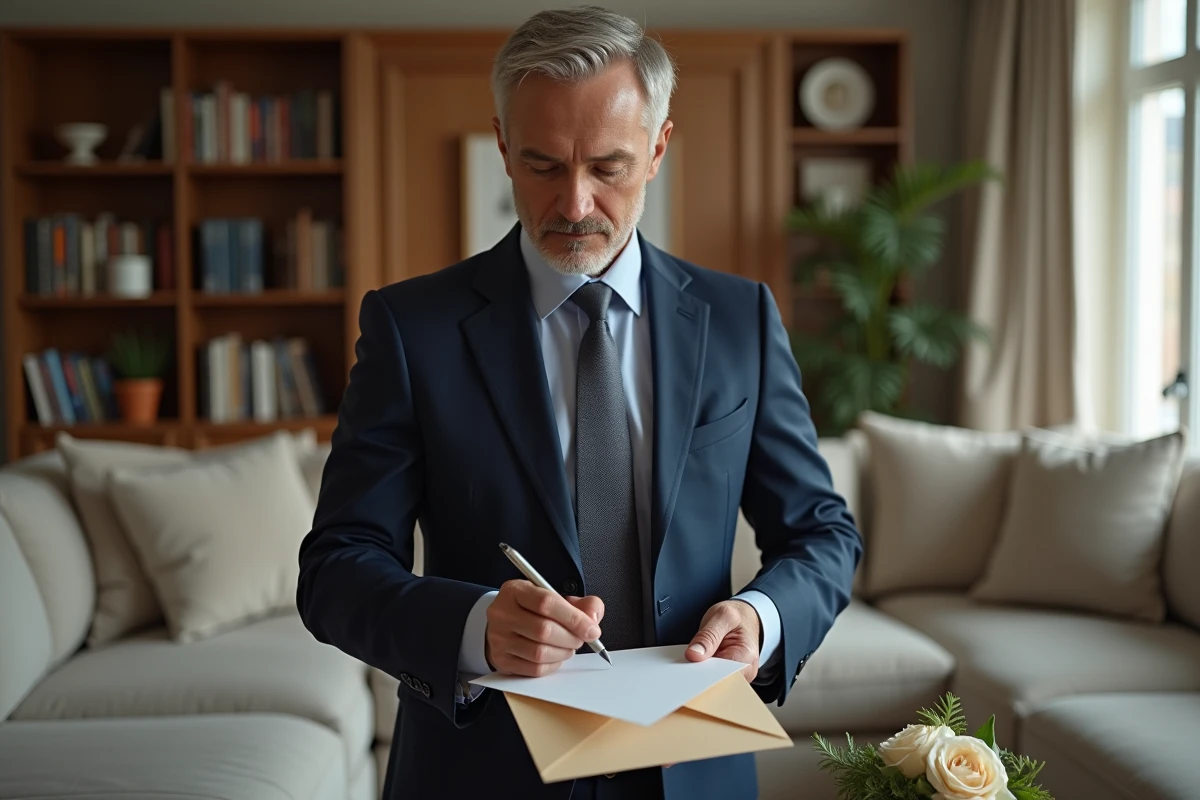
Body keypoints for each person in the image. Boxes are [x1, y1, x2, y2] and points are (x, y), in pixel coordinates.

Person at [296, 6, 861, 800]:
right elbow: (335, 570)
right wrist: (472, 627)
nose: (574, 204)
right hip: (485, 772)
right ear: (501, 145)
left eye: (608, 167)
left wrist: (761, 619)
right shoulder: (410, 328)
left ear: (658, 147)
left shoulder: (741, 319)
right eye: (542, 165)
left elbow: (821, 532)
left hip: (694, 767)